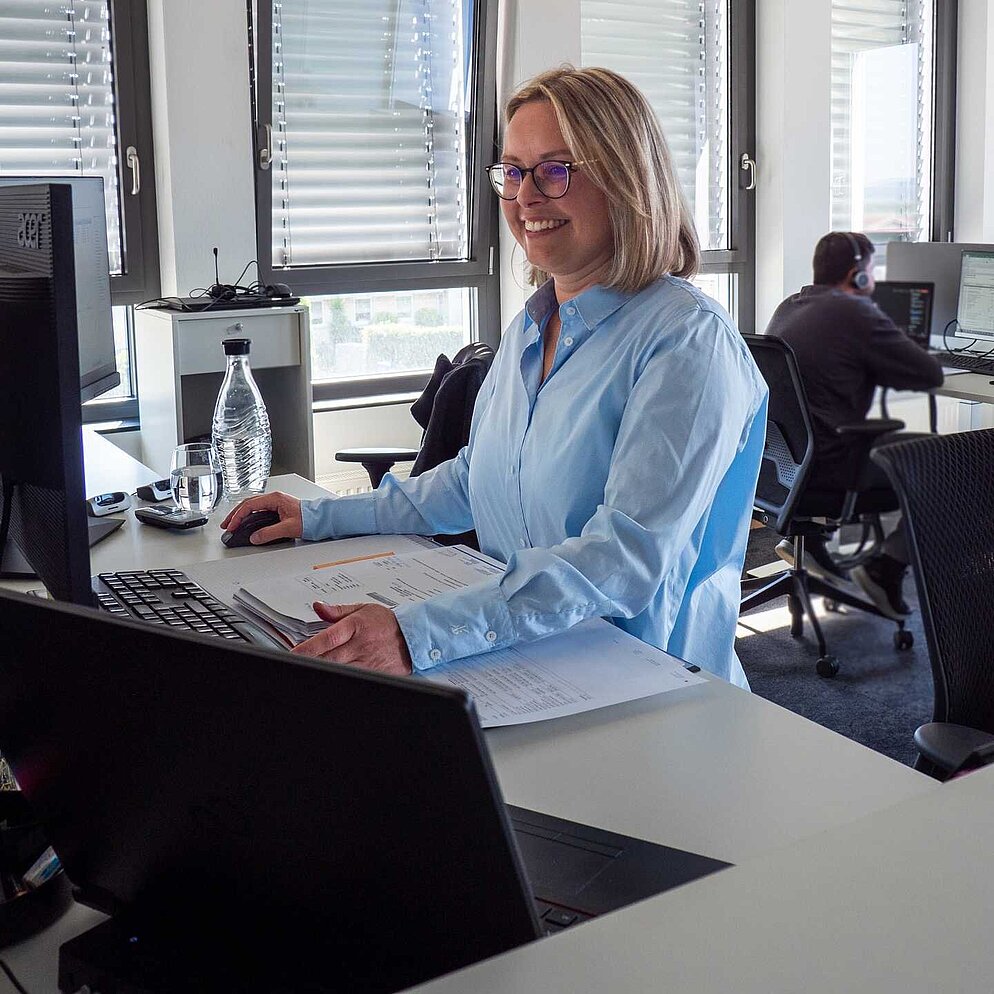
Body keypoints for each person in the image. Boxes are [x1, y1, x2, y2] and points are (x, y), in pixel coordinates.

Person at [221, 66, 768, 688]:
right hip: (531, 661)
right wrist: (318, 516)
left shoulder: (687, 341)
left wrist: (415, 633)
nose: (524, 197)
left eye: (554, 170)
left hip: (651, 687)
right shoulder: (532, 327)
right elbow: (473, 480)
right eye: (512, 171)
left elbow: (622, 562)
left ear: (625, 179)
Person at [765, 230, 943, 618]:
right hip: (832, 469)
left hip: (785, 467)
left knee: (904, 444)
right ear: (858, 275)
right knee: (945, 460)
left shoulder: (789, 306)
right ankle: (886, 566)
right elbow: (929, 374)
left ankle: (810, 541)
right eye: (871, 271)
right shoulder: (854, 311)